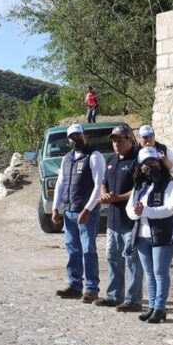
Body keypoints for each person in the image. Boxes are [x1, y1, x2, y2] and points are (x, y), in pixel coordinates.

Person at [50, 124, 106, 302]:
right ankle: (74, 285)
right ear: (68, 140)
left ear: (85, 136)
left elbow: (98, 185)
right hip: (69, 211)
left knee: (88, 249)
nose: (75, 139)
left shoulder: (94, 156)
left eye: (78, 135)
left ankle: (91, 288)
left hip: (86, 212)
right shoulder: (67, 158)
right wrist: (55, 208)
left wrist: (88, 209)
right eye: (72, 137)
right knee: (73, 248)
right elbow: (60, 184)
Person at [126, 147, 173, 324]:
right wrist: (136, 213)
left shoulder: (169, 184)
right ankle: (152, 306)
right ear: (140, 167)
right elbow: (130, 209)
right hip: (141, 235)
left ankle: (160, 307)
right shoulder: (139, 186)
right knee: (149, 273)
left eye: (153, 161)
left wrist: (145, 211)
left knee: (160, 272)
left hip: (162, 234)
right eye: (146, 163)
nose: (150, 166)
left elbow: (169, 209)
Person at [95, 125, 143, 312]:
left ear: (130, 140)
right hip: (113, 221)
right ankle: (114, 295)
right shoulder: (111, 160)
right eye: (114, 140)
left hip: (130, 221)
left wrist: (119, 197)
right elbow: (103, 184)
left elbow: (139, 189)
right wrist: (105, 193)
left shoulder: (136, 162)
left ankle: (133, 300)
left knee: (132, 261)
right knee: (113, 258)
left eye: (120, 140)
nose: (116, 144)